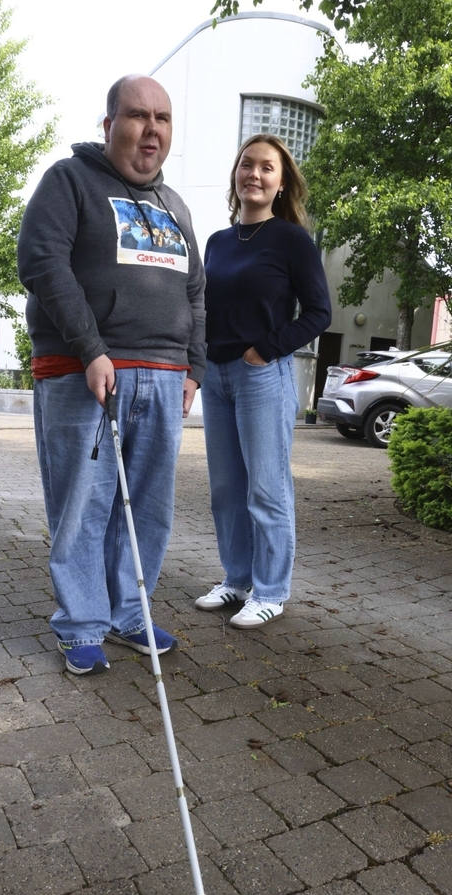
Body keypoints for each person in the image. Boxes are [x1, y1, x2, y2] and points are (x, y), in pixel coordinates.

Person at [17, 75, 205, 675]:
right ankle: (80, 625)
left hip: (164, 376)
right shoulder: (69, 181)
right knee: (85, 505)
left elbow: (196, 293)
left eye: (163, 118)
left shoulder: (175, 206)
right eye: (138, 115)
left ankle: (130, 613)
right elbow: (41, 262)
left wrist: (194, 368)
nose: (152, 129)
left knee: (146, 509)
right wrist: (90, 348)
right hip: (86, 370)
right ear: (109, 125)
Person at [196, 134, 331, 628]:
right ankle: (237, 579)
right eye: (246, 164)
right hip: (216, 377)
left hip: (261, 376)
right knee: (227, 488)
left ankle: (271, 591)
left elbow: (319, 313)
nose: (254, 174)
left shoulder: (292, 239)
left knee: (267, 488)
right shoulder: (218, 242)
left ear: (281, 183)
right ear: (236, 174)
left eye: (266, 167)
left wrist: (266, 349)